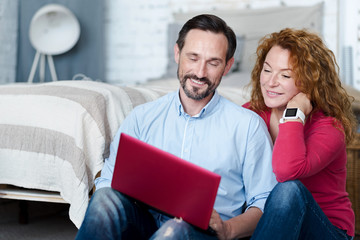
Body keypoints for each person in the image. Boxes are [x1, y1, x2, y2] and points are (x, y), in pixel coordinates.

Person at [75, 14, 277, 240]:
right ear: (177, 53)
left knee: (175, 230)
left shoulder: (248, 126)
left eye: (213, 62)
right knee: (103, 199)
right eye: (193, 58)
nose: (200, 73)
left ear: (227, 66)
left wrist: (227, 229)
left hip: (205, 234)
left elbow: (264, 203)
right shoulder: (142, 117)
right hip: (145, 223)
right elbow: (108, 183)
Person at [243, 28, 357, 240]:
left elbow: (286, 172)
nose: (270, 82)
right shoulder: (251, 114)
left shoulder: (330, 128)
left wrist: (294, 113)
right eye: (267, 70)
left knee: (289, 190)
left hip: (327, 231)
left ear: (309, 82)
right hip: (271, 227)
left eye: (285, 75)